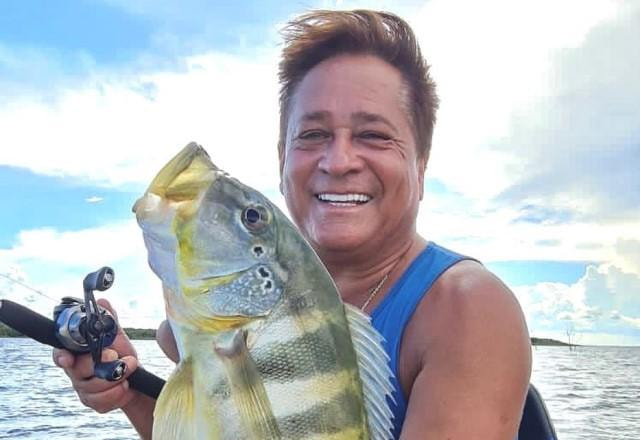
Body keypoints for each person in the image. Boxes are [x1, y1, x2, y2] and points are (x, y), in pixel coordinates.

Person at [53, 9, 531, 439]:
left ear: (421, 166)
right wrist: (131, 395)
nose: (339, 160)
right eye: (314, 134)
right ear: (283, 160)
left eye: (373, 135)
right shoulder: (209, 329)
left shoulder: (468, 310)